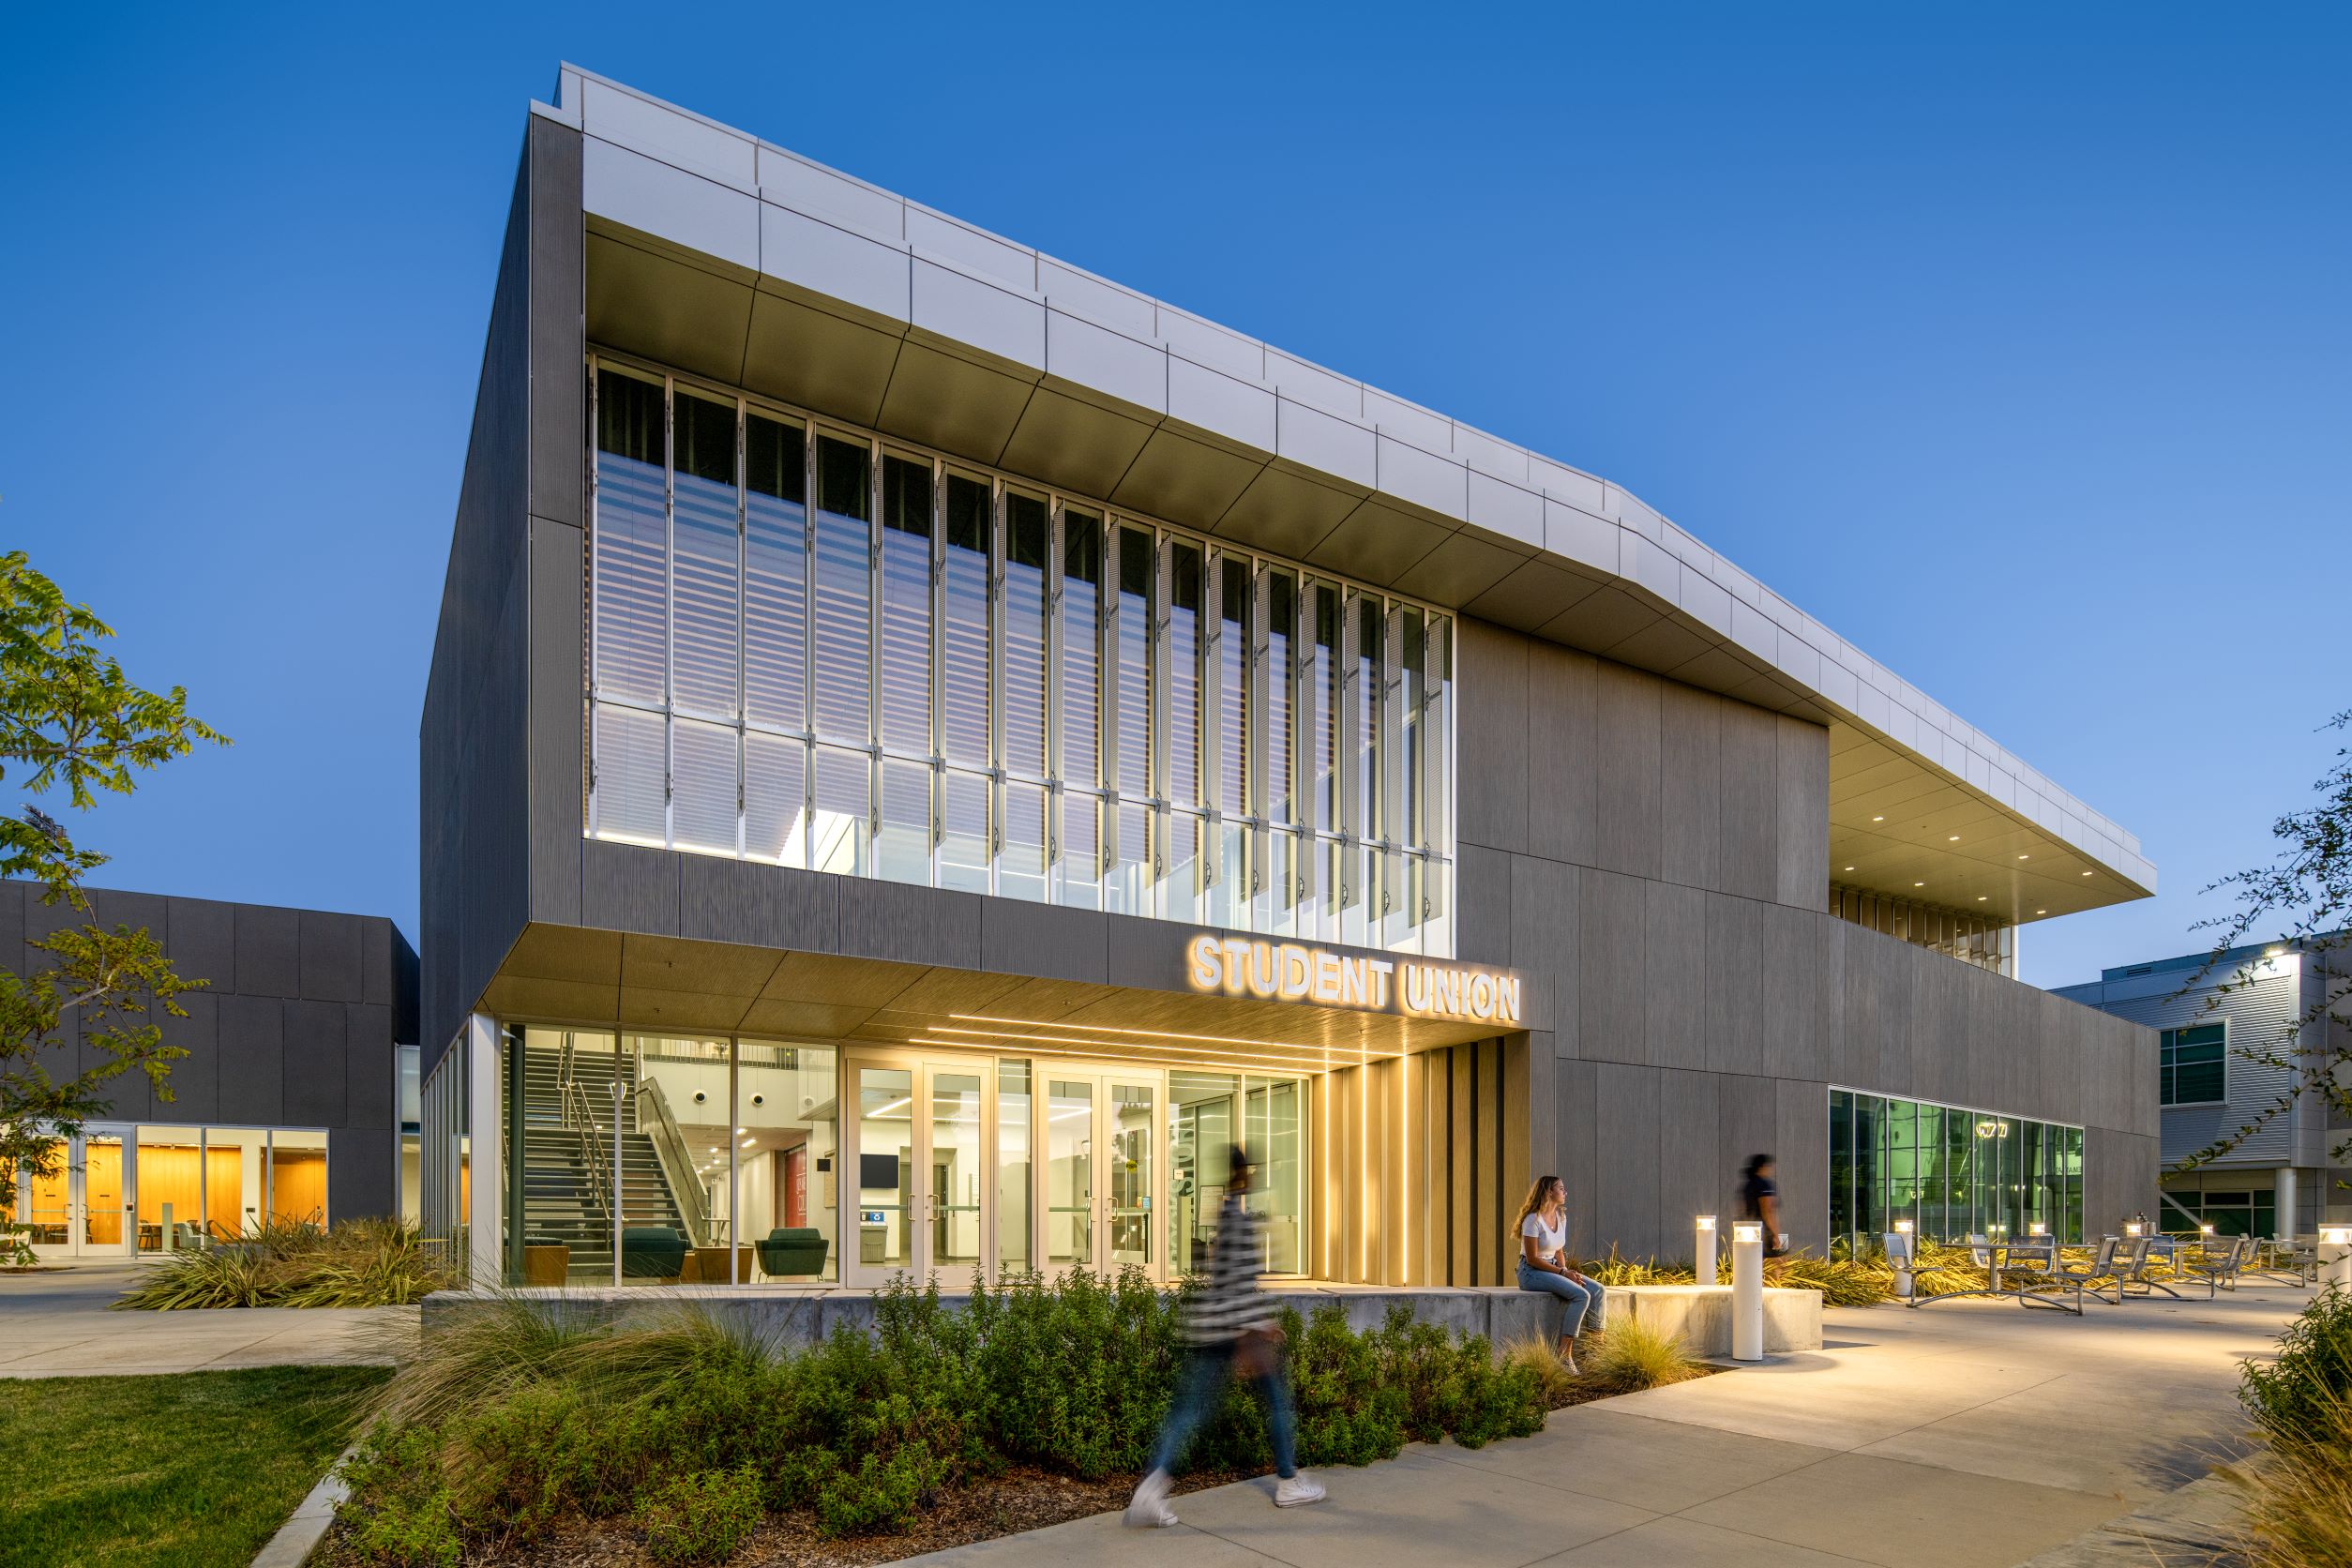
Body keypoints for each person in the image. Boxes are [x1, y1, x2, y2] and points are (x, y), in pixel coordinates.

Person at [1127, 1146, 1325, 1527]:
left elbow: (1224, 1281)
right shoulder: (1239, 1220)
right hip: (1233, 1331)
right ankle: (1287, 1481)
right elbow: (1236, 1285)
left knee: (1188, 1413)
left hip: (1210, 1328)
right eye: (1255, 1170)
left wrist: (1256, 1323)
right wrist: (1254, 1331)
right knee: (1277, 1403)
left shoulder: (1224, 1214)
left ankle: (1148, 1494)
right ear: (1246, 1173)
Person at [1513, 1175, 1605, 1371]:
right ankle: (1564, 1355)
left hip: (1554, 1268)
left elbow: (1558, 1250)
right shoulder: (1533, 1219)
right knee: (1581, 1295)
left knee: (1597, 1290)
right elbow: (1532, 1259)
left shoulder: (1561, 1217)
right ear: (1549, 1192)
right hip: (1531, 1273)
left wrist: (1567, 1271)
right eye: (1561, 1189)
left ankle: (1597, 1352)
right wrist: (1563, 1272)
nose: (1565, 1192)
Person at [1741, 1153, 1788, 1258]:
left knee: (1755, 1264)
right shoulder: (1764, 1185)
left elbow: (1741, 1208)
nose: (1771, 1170)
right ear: (1763, 1166)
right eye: (1770, 1166)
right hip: (1765, 1232)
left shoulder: (1748, 1184)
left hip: (1749, 1232)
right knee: (1776, 1265)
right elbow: (1768, 1211)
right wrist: (1775, 1235)